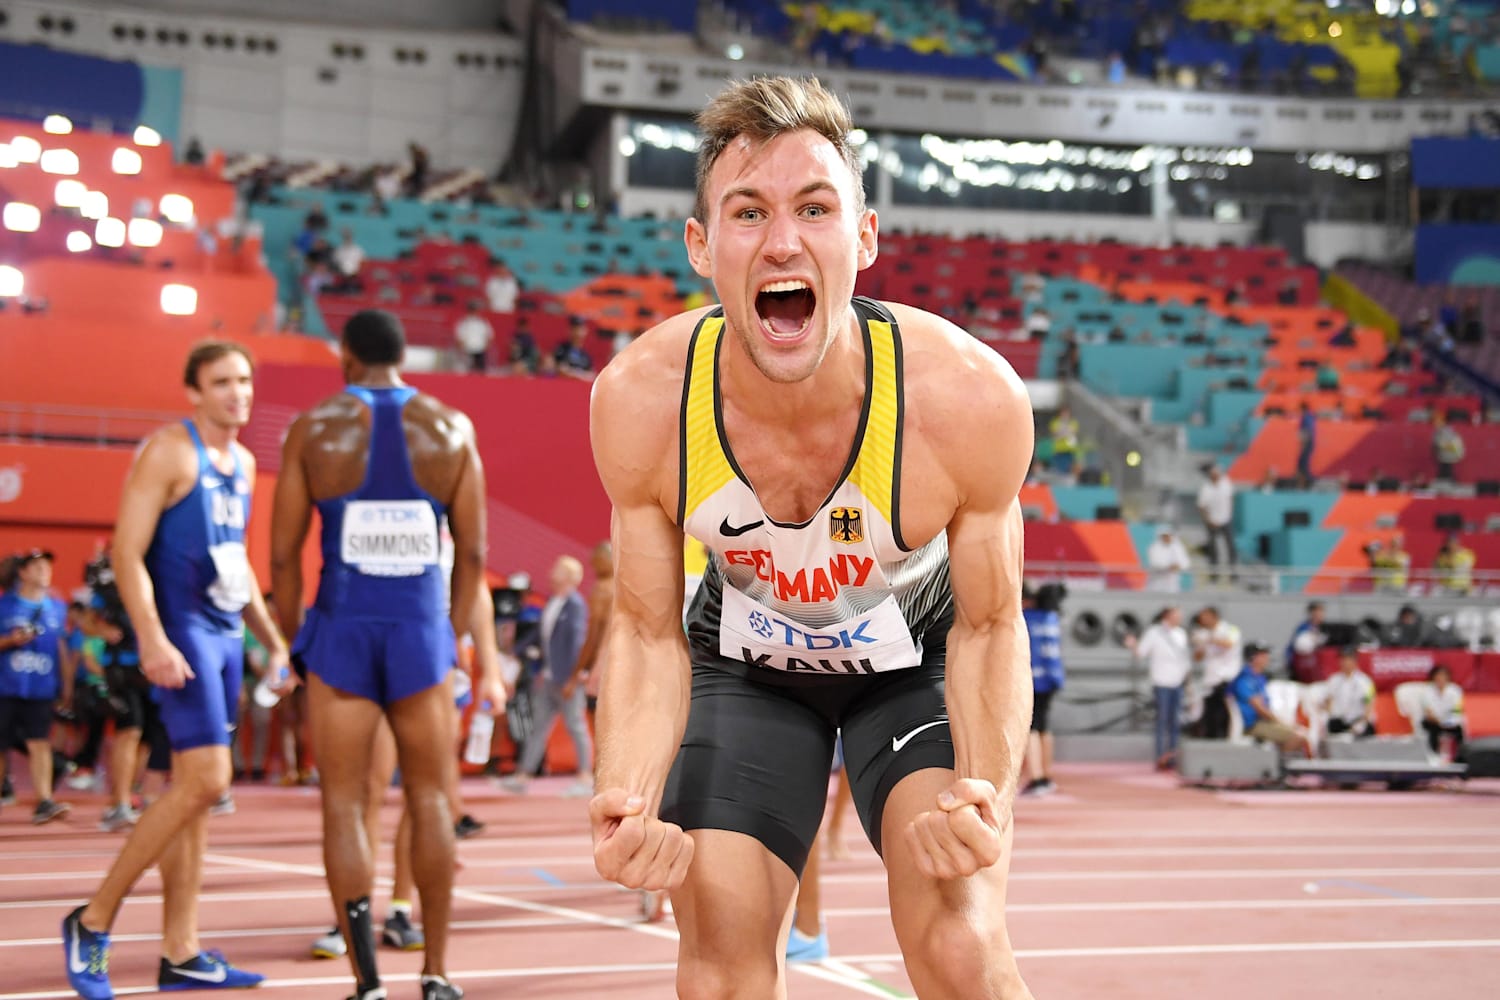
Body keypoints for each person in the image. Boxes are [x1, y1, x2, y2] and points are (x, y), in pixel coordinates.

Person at [587, 76, 1035, 998]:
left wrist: (983, 789)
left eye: (815, 208)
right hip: (746, 674)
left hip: (916, 670)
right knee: (718, 965)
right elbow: (641, 627)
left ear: (862, 239)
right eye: (748, 212)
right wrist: (626, 795)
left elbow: (992, 628)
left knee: (959, 944)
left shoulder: (968, 399)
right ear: (702, 247)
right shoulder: (641, 400)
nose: (784, 241)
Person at [270, 309, 505, 1000]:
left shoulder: (312, 429)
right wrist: (453, 636)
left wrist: (296, 642)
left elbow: (283, 556)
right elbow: (477, 552)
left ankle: (366, 983)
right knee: (431, 798)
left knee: (344, 805)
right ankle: (435, 973)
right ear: (405, 357)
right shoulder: (450, 428)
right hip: (419, 632)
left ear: (345, 355)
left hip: (341, 630)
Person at [62, 341, 290, 999]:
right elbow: (128, 554)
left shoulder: (244, 461)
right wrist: (153, 638)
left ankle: (182, 951)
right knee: (207, 780)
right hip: (181, 635)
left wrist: (272, 641)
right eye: (222, 382)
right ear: (194, 391)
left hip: (223, 634)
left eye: (245, 380)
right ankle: (92, 918)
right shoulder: (169, 451)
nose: (237, 393)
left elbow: (237, 561)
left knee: (195, 794)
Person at [498, 556, 592, 797]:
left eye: (557, 571)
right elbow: (540, 634)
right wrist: (514, 651)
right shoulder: (553, 601)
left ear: (571, 578)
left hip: (567, 681)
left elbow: (576, 644)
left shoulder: (576, 605)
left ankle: (585, 776)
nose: (551, 574)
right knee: (538, 728)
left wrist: (573, 678)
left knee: (576, 727)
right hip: (549, 678)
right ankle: (522, 776)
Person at [0, 548, 71, 824]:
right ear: (23, 572)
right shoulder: (5, 605)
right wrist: (10, 641)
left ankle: (44, 801)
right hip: (6, 685)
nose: (44, 572)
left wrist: (66, 687)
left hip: (41, 687)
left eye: (47, 567)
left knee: (40, 743)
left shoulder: (57, 607)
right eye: (37, 567)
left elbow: (62, 648)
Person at [1125, 605, 1192, 770]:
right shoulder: (1154, 632)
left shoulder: (1181, 634)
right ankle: (1160, 757)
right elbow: (1141, 652)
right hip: (1161, 682)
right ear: (1167, 616)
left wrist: (1187, 682)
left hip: (1178, 682)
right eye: (1177, 614)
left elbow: (1184, 660)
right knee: (1162, 721)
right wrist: (1133, 645)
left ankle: (1173, 757)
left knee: (1175, 722)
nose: (1180, 618)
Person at [1020, 583, 1063, 796]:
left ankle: (1036, 779)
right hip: (1052, 677)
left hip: (1034, 679)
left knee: (1031, 727)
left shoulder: (1027, 619)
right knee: (1045, 726)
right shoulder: (1051, 619)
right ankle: (1046, 775)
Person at [1231, 642, 1310, 756]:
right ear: (1253, 658)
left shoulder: (1259, 678)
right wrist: (1283, 723)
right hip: (1252, 725)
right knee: (1298, 737)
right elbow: (1260, 709)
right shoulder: (1245, 679)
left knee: (1298, 732)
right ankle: (1279, 767)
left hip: (1263, 722)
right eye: (1263, 655)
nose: (1267, 658)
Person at [1192, 606, 1242, 740]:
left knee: (1225, 712)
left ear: (1214, 616)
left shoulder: (1231, 629)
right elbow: (1197, 658)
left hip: (1227, 677)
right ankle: (1211, 739)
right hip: (1210, 678)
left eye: (1205, 617)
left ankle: (1226, 738)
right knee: (1209, 713)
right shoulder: (1203, 633)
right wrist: (1200, 646)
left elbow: (1229, 643)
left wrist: (1209, 639)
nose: (1202, 621)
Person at [1323, 647, 1376, 738]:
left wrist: (1362, 723)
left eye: (1347, 659)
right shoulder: (1334, 680)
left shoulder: (1365, 681)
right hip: (1340, 722)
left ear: (1354, 661)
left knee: (1365, 730)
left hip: (1358, 721)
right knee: (1331, 726)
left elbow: (1369, 705)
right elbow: (1328, 703)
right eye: (1342, 659)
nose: (1344, 662)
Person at [1196, 464, 1236, 581]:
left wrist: (1228, 516)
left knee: (1231, 548)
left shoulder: (1226, 483)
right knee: (1213, 549)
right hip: (1211, 522)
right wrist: (1208, 520)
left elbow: (1230, 499)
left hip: (1225, 520)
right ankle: (1214, 574)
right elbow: (1202, 507)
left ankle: (1233, 573)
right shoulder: (1206, 488)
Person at [1419, 665, 1465, 757]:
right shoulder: (1425, 691)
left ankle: (1460, 756)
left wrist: (1449, 722)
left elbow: (1457, 711)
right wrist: (1439, 722)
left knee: (1458, 730)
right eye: (1438, 676)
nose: (1440, 679)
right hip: (1433, 721)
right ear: (1433, 677)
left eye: (1443, 676)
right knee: (1433, 728)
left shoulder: (1455, 690)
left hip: (1450, 721)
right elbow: (1429, 713)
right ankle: (1434, 754)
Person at [1284, 601, 1327, 676]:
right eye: (1316, 612)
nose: (1319, 614)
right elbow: (1297, 646)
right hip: (1302, 665)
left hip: (1318, 666)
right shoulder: (1303, 628)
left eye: (1321, 611)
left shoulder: (1325, 628)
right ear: (1311, 613)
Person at [1145, 527, 1190, 592]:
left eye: (1169, 536)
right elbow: (1154, 563)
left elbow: (1185, 562)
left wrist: (1178, 566)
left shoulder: (1177, 547)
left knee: (1171, 599)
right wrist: (1168, 566)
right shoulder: (1154, 547)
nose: (1167, 538)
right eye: (1165, 536)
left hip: (1172, 583)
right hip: (1157, 581)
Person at [1296, 401, 1316, 486]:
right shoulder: (1309, 417)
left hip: (1308, 441)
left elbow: (1308, 431)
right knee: (1303, 461)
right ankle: (1304, 478)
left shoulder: (1307, 417)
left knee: (1303, 461)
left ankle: (1306, 480)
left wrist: (1304, 443)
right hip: (1308, 441)